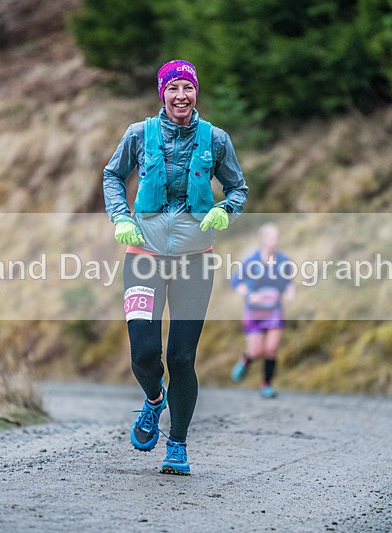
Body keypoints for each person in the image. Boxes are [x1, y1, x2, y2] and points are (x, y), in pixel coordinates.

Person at [103, 60, 248, 475]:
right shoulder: (138, 134)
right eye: (174, 88)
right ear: (162, 93)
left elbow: (239, 188)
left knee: (182, 358)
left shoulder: (215, 140)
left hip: (195, 262)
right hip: (144, 258)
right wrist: (122, 218)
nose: (181, 95)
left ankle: (178, 445)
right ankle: (153, 400)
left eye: (188, 87)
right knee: (145, 353)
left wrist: (225, 209)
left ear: (196, 93)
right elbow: (113, 176)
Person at [230, 223, 295, 398]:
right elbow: (237, 282)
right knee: (256, 351)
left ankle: (266, 384)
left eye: (276, 238)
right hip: (254, 310)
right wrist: (249, 295)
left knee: (272, 348)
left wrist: (290, 292)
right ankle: (246, 360)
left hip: (274, 309)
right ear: (262, 240)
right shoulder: (251, 260)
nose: (274, 241)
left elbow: (289, 282)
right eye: (270, 237)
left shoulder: (283, 261)